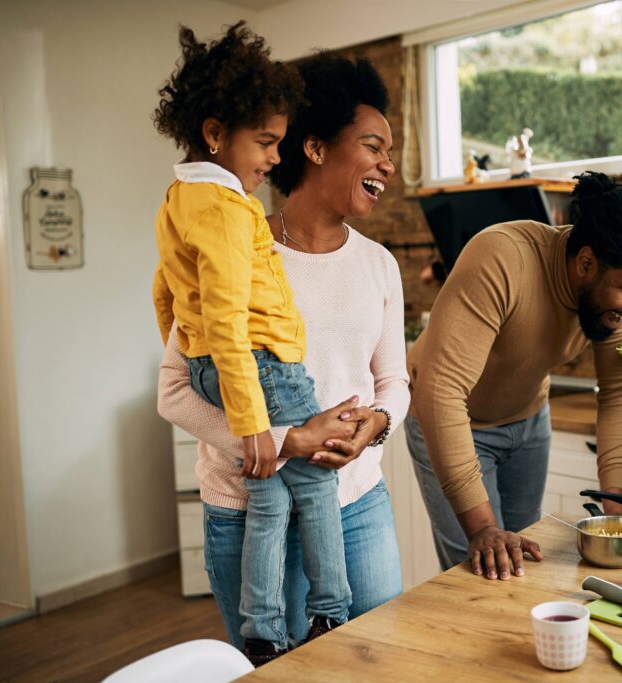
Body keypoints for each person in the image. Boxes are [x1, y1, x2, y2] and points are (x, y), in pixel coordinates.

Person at [156, 47, 405, 665]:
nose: (388, 164)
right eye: (373, 145)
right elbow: (175, 390)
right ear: (315, 147)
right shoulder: (234, 242)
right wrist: (283, 439)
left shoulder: (379, 264)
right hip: (250, 510)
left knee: (382, 663)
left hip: (359, 502)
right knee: (287, 673)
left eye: (389, 151)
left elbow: (393, 380)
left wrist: (376, 424)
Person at [405, 172, 622, 579]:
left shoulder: (618, 302)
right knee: (482, 569)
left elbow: (620, 389)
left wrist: (613, 495)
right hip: (450, 421)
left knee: (524, 565)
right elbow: (440, 391)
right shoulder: (502, 258)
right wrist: (482, 528)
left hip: (528, 422)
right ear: (586, 262)